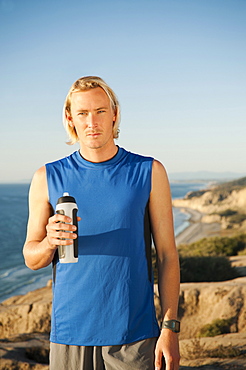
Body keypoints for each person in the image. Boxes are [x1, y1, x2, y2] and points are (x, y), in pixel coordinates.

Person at [23, 76, 180, 370]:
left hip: (134, 335)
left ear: (115, 115)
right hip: (70, 334)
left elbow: (168, 256)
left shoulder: (149, 171)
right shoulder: (46, 178)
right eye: (82, 113)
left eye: (100, 111)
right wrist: (48, 242)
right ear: (70, 119)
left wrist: (170, 327)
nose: (92, 122)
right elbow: (31, 258)